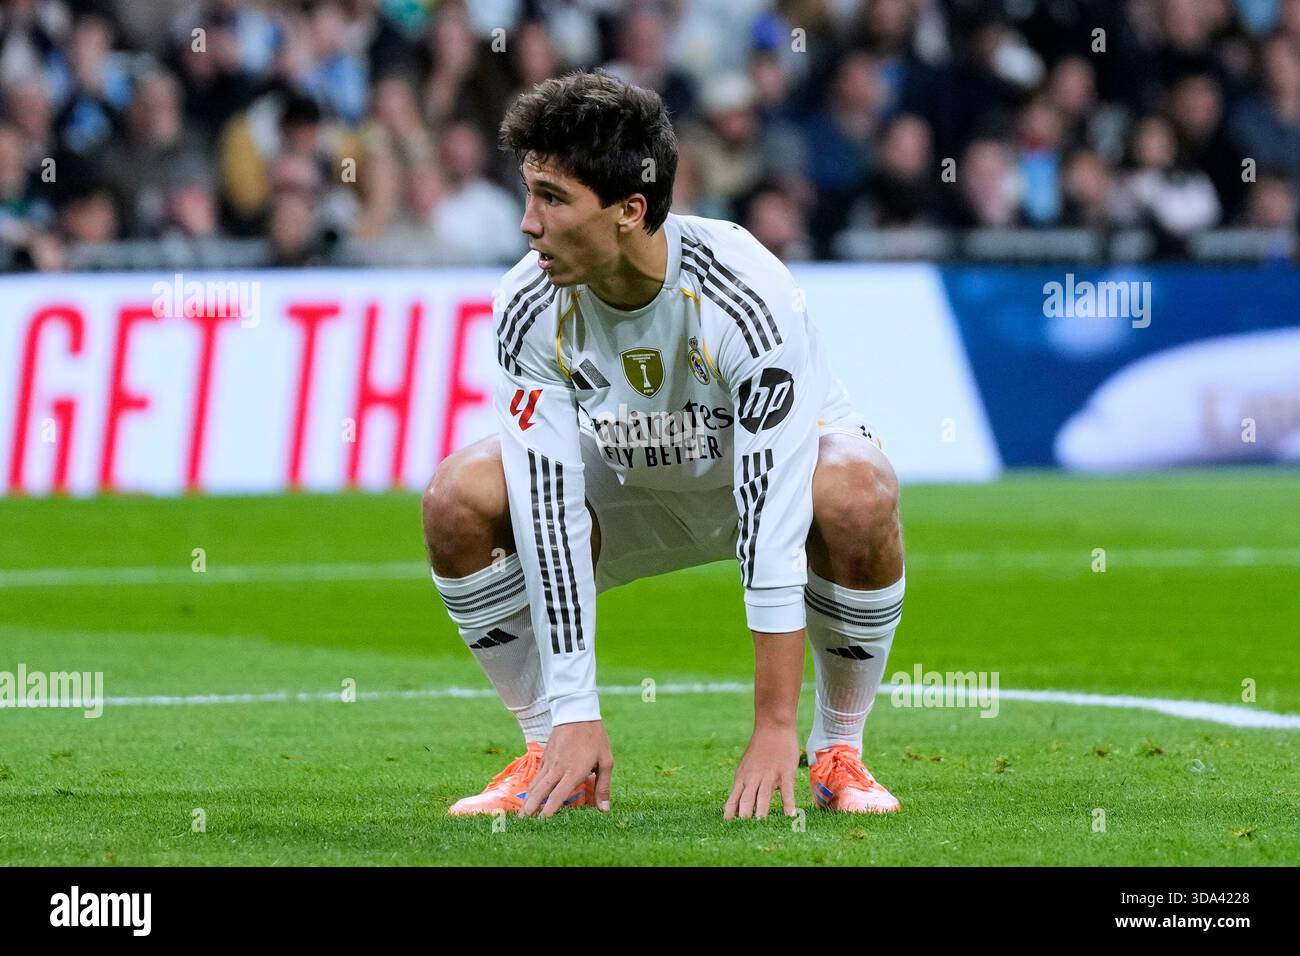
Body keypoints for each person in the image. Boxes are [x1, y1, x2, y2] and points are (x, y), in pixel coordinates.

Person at [421, 71, 906, 821]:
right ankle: (552, 752)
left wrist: (773, 726)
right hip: (633, 489)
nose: (528, 223)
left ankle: (838, 749)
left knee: (859, 488)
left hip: (765, 487)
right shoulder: (527, 304)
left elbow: (773, 514)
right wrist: (574, 711)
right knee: (460, 497)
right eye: (528, 193)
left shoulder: (743, 291)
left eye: (552, 198)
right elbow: (545, 507)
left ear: (629, 210)